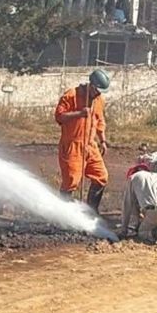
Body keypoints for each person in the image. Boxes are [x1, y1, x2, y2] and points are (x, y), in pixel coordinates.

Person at [54, 69, 110, 212]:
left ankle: (91, 212)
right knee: (72, 180)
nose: (98, 93)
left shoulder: (99, 100)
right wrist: (79, 113)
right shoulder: (71, 95)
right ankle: (64, 214)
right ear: (91, 85)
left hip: (90, 145)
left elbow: (99, 120)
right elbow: (59, 116)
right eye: (97, 90)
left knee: (101, 176)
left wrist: (102, 140)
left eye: (100, 91)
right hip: (72, 144)